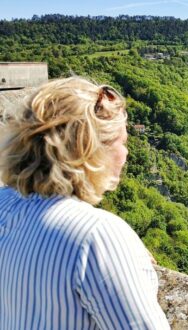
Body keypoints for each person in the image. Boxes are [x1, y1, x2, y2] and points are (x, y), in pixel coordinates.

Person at [0, 77, 170, 329]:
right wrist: (118, 250)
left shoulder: (4, 205)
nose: (126, 153)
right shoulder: (96, 235)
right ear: (90, 151)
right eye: (121, 142)